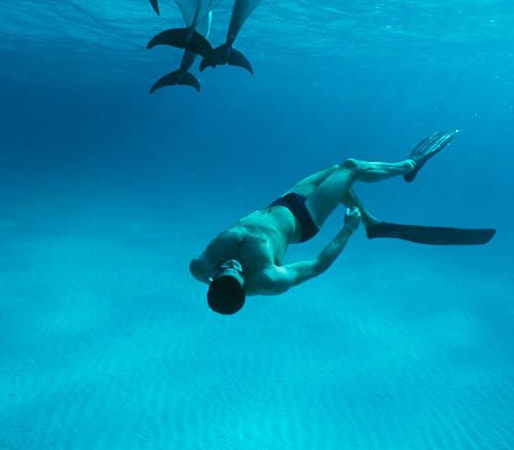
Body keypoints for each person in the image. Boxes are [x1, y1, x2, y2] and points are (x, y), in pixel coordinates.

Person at [190, 132, 458, 314]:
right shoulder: (268, 279)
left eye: (225, 268)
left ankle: (372, 223)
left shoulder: (201, 266)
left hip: (282, 202)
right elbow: (318, 266)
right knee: (351, 166)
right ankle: (410, 165)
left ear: (212, 280)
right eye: (237, 272)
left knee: (334, 171)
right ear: (244, 286)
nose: (232, 264)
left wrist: (224, 272)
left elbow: (217, 273)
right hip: (304, 219)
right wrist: (346, 230)